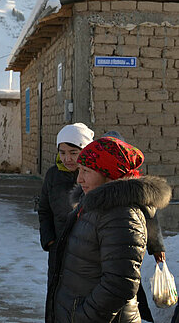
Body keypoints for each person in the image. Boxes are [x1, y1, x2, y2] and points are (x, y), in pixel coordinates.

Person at [46, 136, 171, 322]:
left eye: (86, 171)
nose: (79, 179)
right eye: (79, 170)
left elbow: (119, 284)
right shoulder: (91, 204)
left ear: (110, 173)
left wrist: (83, 316)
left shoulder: (122, 216)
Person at [102, 131, 165, 323]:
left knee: (131, 291)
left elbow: (151, 218)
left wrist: (157, 247)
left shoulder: (136, 185)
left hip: (129, 250)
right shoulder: (96, 182)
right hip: (105, 251)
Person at [39, 123, 94, 293]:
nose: (67, 159)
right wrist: (49, 240)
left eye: (73, 153)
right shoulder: (53, 175)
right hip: (59, 246)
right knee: (58, 293)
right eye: (62, 153)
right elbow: (44, 209)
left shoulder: (94, 176)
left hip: (87, 250)